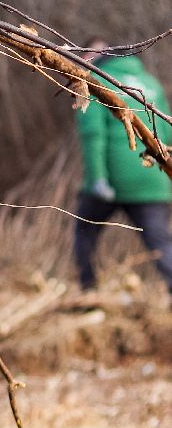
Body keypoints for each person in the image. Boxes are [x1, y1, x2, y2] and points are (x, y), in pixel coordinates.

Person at [73, 44, 172, 296]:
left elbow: (93, 135)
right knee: (161, 243)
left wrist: (97, 179)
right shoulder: (149, 82)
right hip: (153, 178)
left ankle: (88, 290)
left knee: (84, 231)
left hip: (112, 178)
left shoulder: (95, 82)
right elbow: (168, 132)